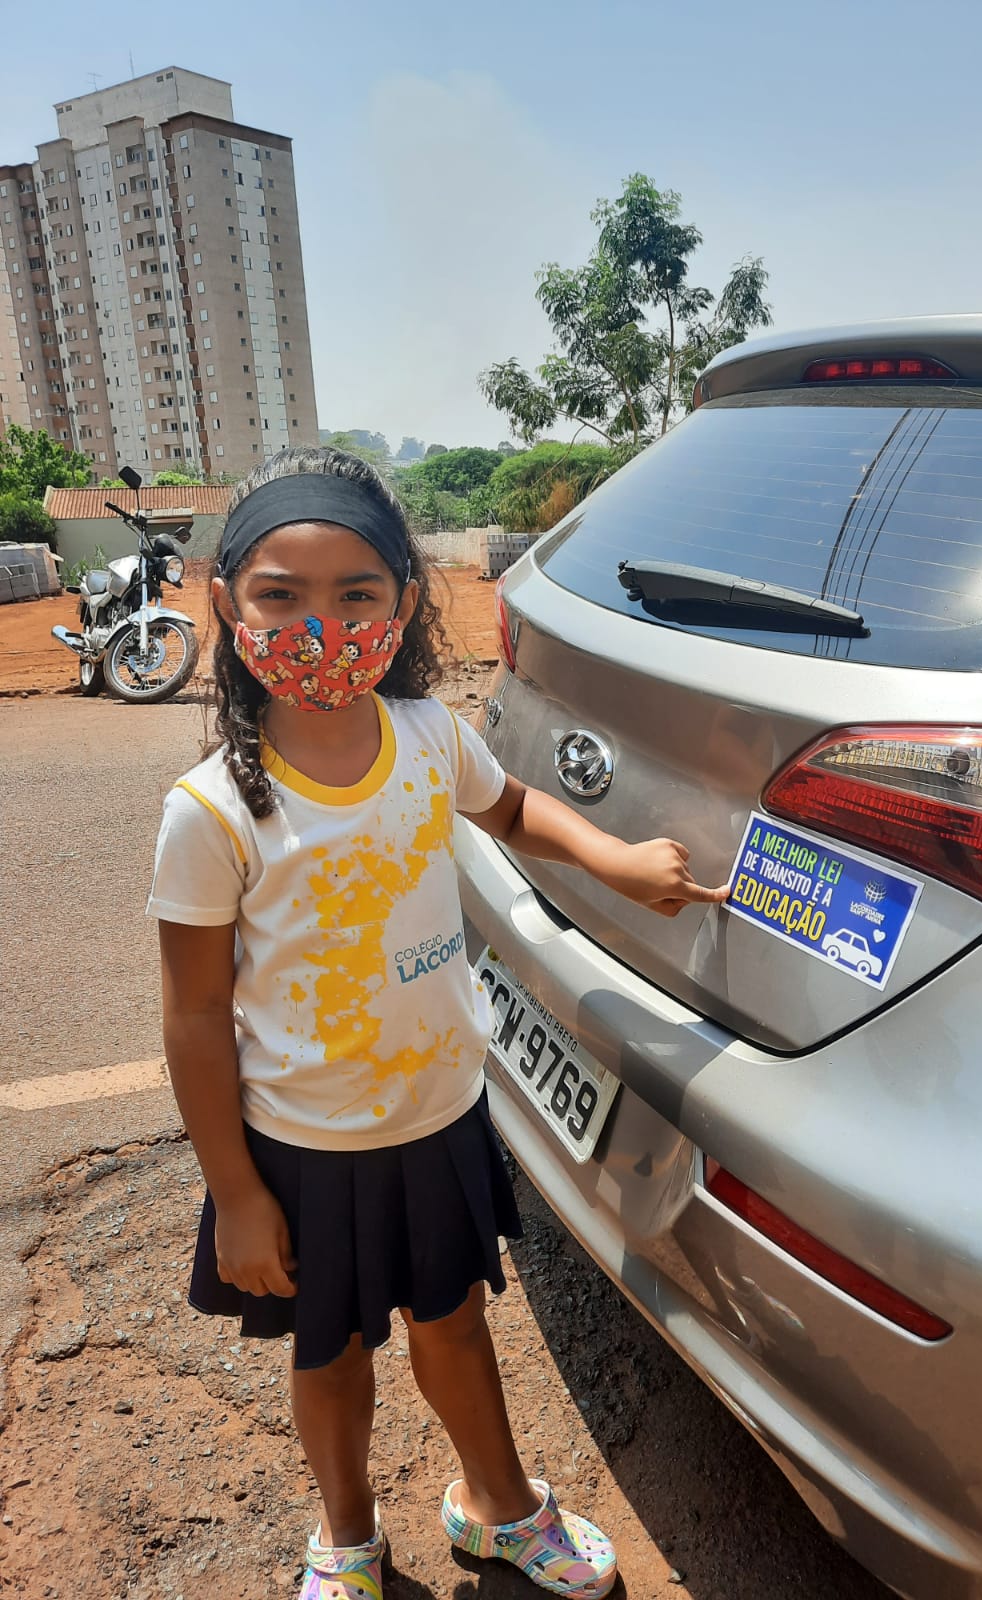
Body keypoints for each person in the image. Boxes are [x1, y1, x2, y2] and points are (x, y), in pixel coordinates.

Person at [147, 446, 728, 1600]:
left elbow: (512, 807)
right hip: (299, 1151)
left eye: (357, 594)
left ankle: (499, 1508)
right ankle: (348, 1538)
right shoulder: (208, 811)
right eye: (282, 595)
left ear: (404, 603)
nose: (323, 625)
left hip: (438, 1121)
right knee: (331, 1353)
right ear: (223, 601)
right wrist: (239, 1190)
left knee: (456, 1326)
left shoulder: (426, 735)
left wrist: (620, 859)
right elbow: (196, 1016)